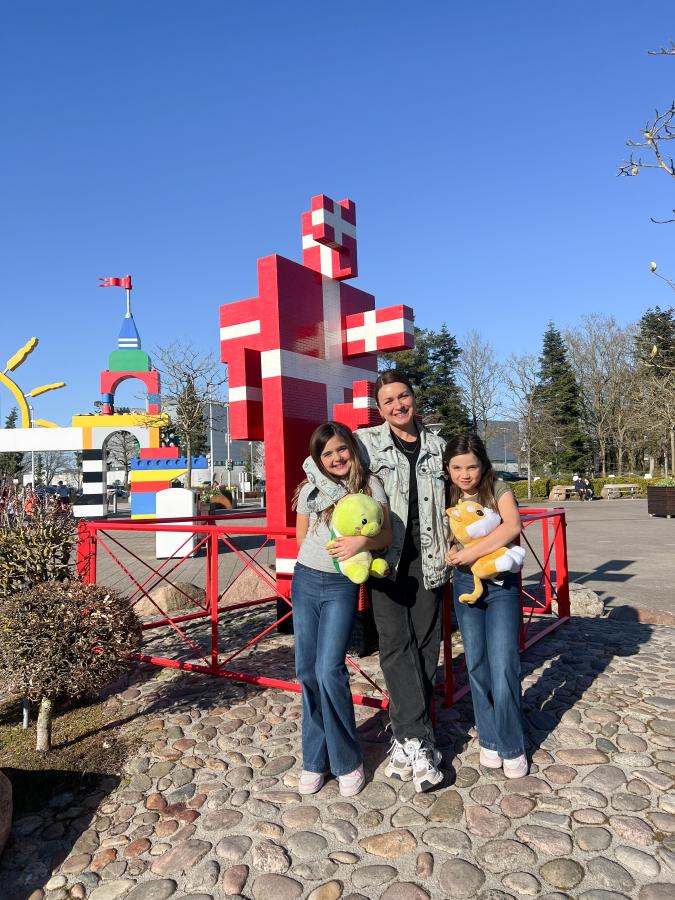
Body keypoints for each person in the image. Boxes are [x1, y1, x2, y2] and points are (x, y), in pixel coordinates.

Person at [354, 370, 450, 793]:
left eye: (403, 396)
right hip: (385, 560)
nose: (398, 405)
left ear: (414, 397)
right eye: (388, 400)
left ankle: (409, 737)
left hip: (430, 558)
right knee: (395, 645)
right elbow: (324, 467)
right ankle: (416, 738)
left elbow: (470, 484)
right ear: (379, 408)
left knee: (426, 646)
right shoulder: (365, 443)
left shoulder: (438, 447)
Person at [292, 421, 392, 797]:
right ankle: (314, 759)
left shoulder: (370, 486)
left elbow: (386, 534)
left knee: (329, 669)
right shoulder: (310, 488)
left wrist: (359, 544)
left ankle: (347, 761)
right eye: (326, 453)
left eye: (340, 449)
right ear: (318, 458)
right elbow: (302, 536)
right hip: (305, 579)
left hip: (340, 585)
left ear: (352, 448)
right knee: (307, 671)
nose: (335, 458)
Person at [444, 432, 528, 779]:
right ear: (448, 469)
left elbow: (512, 525)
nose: (465, 474)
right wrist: (452, 553)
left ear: (483, 465)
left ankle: (512, 744)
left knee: (504, 662)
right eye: (457, 468)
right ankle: (489, 737)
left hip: (501, 585)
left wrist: (470, 553)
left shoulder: (498, 488)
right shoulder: (447, 494)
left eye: (472, 466)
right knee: (476, 663)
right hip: (466, 585)